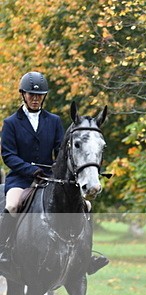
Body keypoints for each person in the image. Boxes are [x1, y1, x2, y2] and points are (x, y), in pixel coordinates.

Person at [0, 71, 107, 275]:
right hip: (20, 179)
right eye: (31, 94)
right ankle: (3, 249)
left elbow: (62, 151)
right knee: (12, 205)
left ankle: (86, 257)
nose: (35, 98)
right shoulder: (11, 122)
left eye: (39, 95)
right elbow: (8, 155)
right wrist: (31, 170)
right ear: (23, 94)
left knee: (87, 205)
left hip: (50, 178)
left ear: (44, 97)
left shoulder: (54, 121)